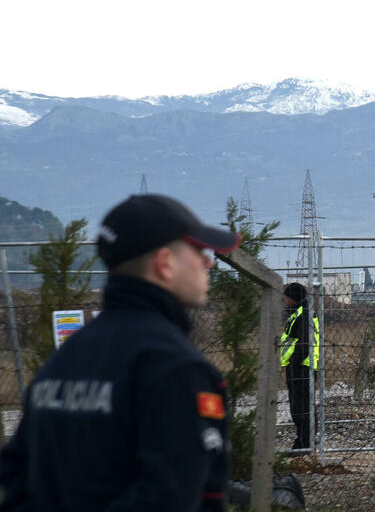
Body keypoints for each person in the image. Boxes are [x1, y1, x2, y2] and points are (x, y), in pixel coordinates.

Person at [0, 194, 241, 512]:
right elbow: (170, 497)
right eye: (199, 250)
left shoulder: (65, 359)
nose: (209, 262)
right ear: (164, 263)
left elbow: (18, 474)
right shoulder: (175, 368)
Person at [280, 282, 318, 451]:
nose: (284, 300)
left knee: (301, 408)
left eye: (286, 296)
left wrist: (294, 362)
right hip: (299, 367)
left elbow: (304, 344)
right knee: (300, 407)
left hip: (302, 368)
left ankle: (304, 444)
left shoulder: (303, 315)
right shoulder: (299, 313)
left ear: (292, 297)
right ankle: (303, 442)